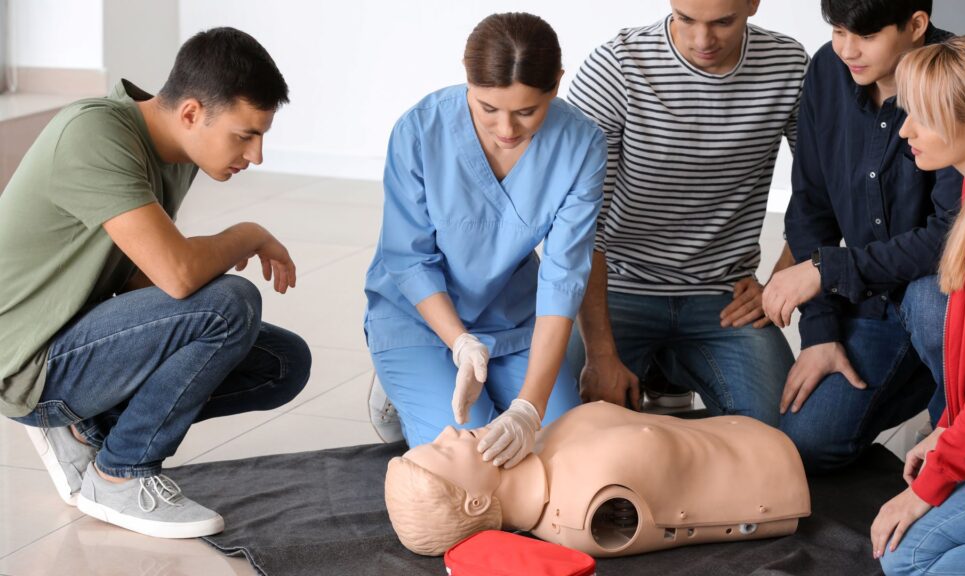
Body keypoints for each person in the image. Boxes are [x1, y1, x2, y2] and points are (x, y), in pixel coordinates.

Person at [0, 27, 311, 539]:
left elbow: (144, 277)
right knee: (231, 304)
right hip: (26, 365)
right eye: (245, 135)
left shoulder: (173, 152)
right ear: (191, 113)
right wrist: (247, 235)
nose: (256, 156)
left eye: (261, 137)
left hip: (76, 335)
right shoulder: (94, 135)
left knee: (283, 363)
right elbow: (179, 275)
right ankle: (120, 473)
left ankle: (90, 427)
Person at [363, 13, 606, 466]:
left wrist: (529, 411)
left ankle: (498, 384)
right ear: (467, 77)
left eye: (527, 111)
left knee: (562, 455)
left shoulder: (581, 144)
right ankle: (402, 382)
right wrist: (460, 342)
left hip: (512, 320)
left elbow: (563, 278)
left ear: (556, 84)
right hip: (418, 321)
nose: (506, 129)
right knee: (474, 462)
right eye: (487, 108)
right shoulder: (420, 131)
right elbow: (408, 259)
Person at [565, 0, 807, 424]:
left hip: (722, 295)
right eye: (686, 19)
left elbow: (822, 186)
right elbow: (581, 224)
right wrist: (600, 353)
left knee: (781, 436)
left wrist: (780, 279)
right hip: (618, 288)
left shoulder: (789, 66)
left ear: (752, 4)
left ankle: (668, 375)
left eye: (722, 23)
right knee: (558, 425)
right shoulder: (615, 68)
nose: (703, 40)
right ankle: (660, 373)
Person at [761, 0, 961, 472]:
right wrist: (821, 331)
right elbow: (811, 204)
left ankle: (952, 431)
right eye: (837, 30)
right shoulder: (828, 70)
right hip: (872, 298)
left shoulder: (956, 78)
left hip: (947, 297)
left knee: (932, 300)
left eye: (866, 36)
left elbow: (952, 236)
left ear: (916, 25)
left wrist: (828, 270)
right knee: (806, 443)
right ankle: (933, 404)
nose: (847, 49)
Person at [869, 36, 965, 575]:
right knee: (908, 556)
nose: (905, 130)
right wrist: (945, 431)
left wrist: (930, 487)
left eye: (921, 118)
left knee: (906, 559)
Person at [385, 402, 810, 557]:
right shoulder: (581, 514)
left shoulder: (544, 448)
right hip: (776, 470)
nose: (449, 432)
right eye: (443, 451)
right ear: (476, 503)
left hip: (750, 437)